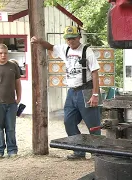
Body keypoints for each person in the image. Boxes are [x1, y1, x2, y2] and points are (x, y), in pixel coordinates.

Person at [31, 26, 101, 159]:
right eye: (68, 39)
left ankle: (97, 153)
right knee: (69, 122)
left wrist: (95, 94)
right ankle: (78, 151)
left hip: (86, 89)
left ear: (79, 37)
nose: (70, 41)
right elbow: (51, 46)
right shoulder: (65, 49)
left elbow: (95, 73)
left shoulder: (87, 51)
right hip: (71, 91)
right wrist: (39, 41)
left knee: (93, 125)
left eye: (73, 38)